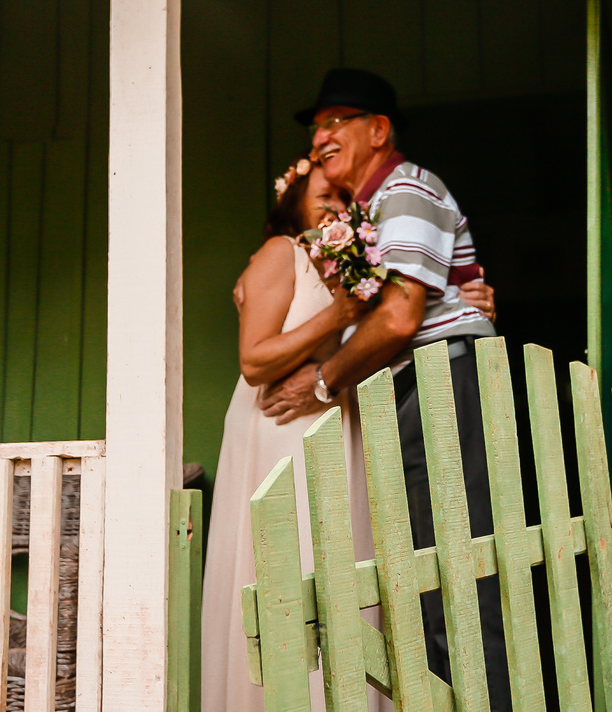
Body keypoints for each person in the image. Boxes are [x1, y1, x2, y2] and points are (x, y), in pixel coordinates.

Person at [200, 153, 495, 711]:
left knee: (348, 570)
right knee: (292, 562)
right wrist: (336, 317)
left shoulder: (359, 271)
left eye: (344, 199)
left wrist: (464, 299)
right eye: (323, 197)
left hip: (337, 417)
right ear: (294, 203)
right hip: (282, 425)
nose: (337, 207)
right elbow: (254, 361)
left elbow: (399, 317)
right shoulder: (281, 252)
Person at [259, 68, 512, 711]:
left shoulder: (405, 190)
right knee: (431, 576)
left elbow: (399, 318)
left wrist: (322, 382)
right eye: (316, 128)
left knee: (459, 574)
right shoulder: (368, 211)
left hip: (438, 385)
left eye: (335, 122)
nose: (320, 137)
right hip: (408, 390)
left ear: (378, 130)